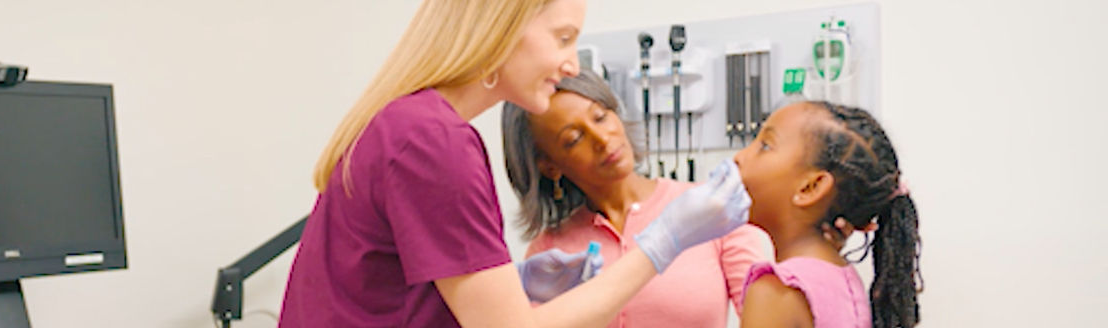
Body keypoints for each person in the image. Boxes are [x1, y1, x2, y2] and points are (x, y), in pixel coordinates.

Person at [279, 0, 750, 327]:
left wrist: (513, 286)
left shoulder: (406, 125)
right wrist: (663, 244)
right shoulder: (433, 141)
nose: (571, 65)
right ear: (499, 29)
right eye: (563, 38)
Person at [501, 72, 768, 327]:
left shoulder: (709, 211)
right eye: (574, 139)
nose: (603, 139)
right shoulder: (550, 252)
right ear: (549, 166)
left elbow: (771, 316)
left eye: (600, 117)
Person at [734, 101, 922, 328]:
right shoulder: (841, 276)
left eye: (765, 146)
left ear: (810, 188)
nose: (739, 157)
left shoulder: (776, 291)